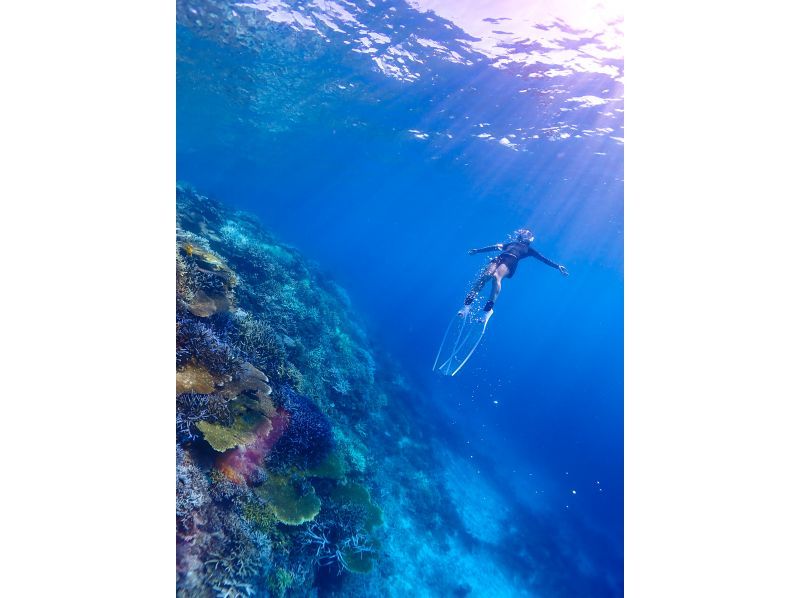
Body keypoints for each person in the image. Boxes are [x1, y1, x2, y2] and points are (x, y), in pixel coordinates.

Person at [458, 228, 568, 321]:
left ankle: (488, 310)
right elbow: (495, 247)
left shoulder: (529, 250)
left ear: (529, 239)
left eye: (528, 234)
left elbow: (543, 259)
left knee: (496, 277)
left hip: (511, 261)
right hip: (500, 258)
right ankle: (467, 305)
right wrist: (478, 250)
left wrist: (557, 266)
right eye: (524, 233)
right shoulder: (511, 244)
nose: (524, 234)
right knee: (485, 276)